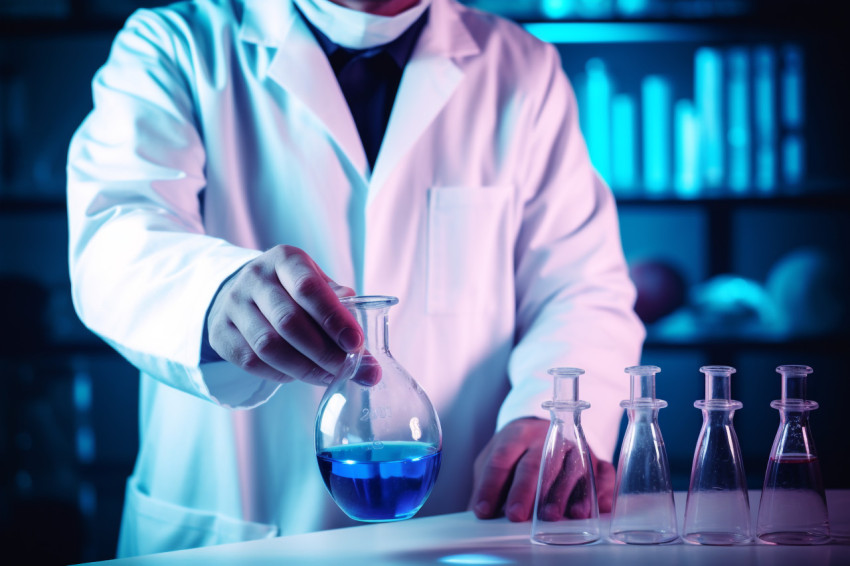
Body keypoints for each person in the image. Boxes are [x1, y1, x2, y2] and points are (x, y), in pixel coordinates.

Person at [67, 0, 644, 557]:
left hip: (458, 525)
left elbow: (580, 288)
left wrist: (549, 413)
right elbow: (116, 233)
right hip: (237, 528)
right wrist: (218, 294)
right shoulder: (174, 45)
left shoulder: (522, 67)